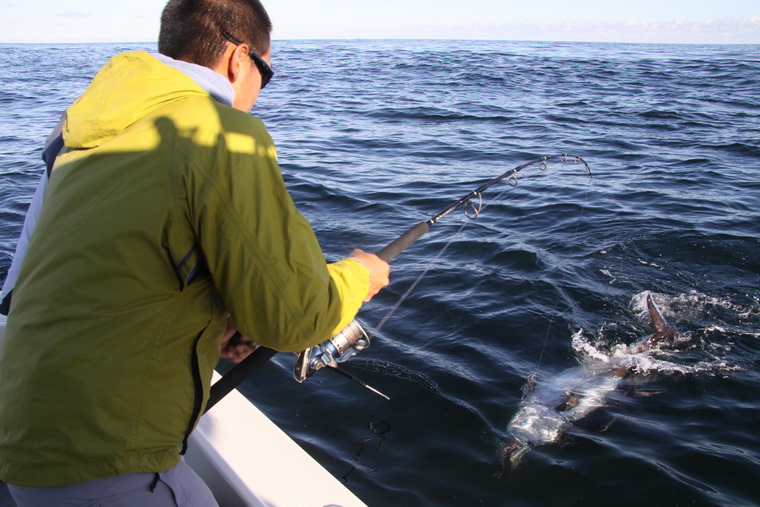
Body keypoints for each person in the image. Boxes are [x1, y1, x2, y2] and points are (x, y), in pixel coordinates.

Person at [0, 0, 390, 504]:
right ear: (239, 58)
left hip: (20, 430)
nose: (258, 94)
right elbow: (296, 319)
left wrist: (216, 320)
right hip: (100, 457)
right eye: (264, 75)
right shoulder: (220, 131)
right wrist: (359, 275)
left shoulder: (81, 129)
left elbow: (97, 274)